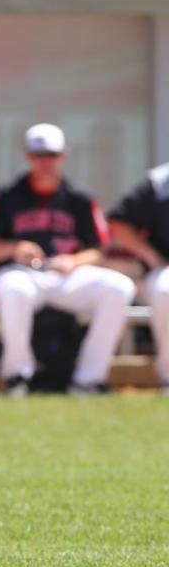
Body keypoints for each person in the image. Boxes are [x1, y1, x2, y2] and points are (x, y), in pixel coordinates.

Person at [0, 123, 136, 397]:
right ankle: (17, 376)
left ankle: (89, 380)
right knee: (13, 288)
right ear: (28, 156)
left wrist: (74, 261)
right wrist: (15, 248)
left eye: (51, 155)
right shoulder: (7, 196)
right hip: (23, 273)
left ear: (64, 156)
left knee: (119, 287)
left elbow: (99, 249)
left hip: (67, 276)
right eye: (39, 155)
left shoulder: (79, 198)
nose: (45, 162)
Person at [107, 163, 169, 395]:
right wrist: (153, 257)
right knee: (167, 289)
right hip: (165, 269)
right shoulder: (161, 181)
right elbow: (118, 221)